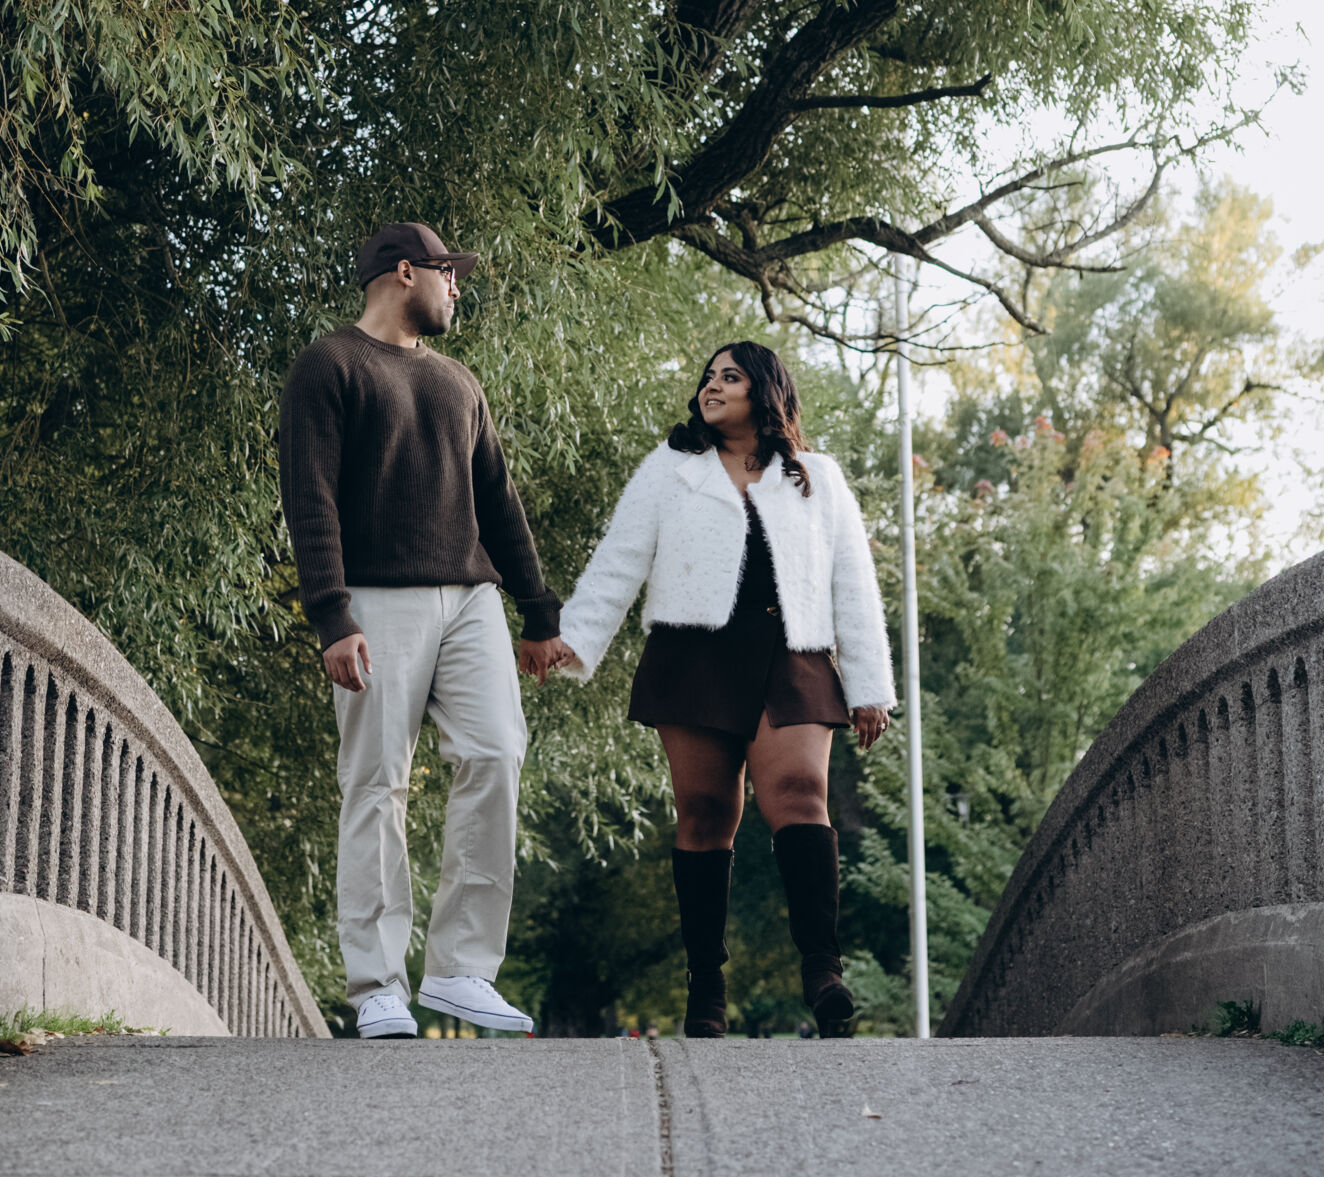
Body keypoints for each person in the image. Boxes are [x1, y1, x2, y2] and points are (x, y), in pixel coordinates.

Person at [546, 342, 894, 1038]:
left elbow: (852, 581)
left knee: (801, 793)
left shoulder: (817, 478)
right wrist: (575, 637)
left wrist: (868, 685)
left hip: (792, 655)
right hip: (693, 655)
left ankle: (823, 970)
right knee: (705, 813)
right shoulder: (670, 470)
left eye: (729, 377)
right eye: (708, 377)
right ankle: (706, 986)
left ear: (764, 391)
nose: (713, 386)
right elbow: (619, 558)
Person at [278, 220, 570, 1038]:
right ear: (405, 272)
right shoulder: (329, 365)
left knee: (496, 754)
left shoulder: (457, 382)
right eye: (449, 272)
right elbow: (310, 496)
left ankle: (461, 971)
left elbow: (499, 502)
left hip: (471, 600)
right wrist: (331, 614)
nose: (457, 287)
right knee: (377, 783)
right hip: (375, 602)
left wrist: (539, 610)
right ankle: (377, 985)